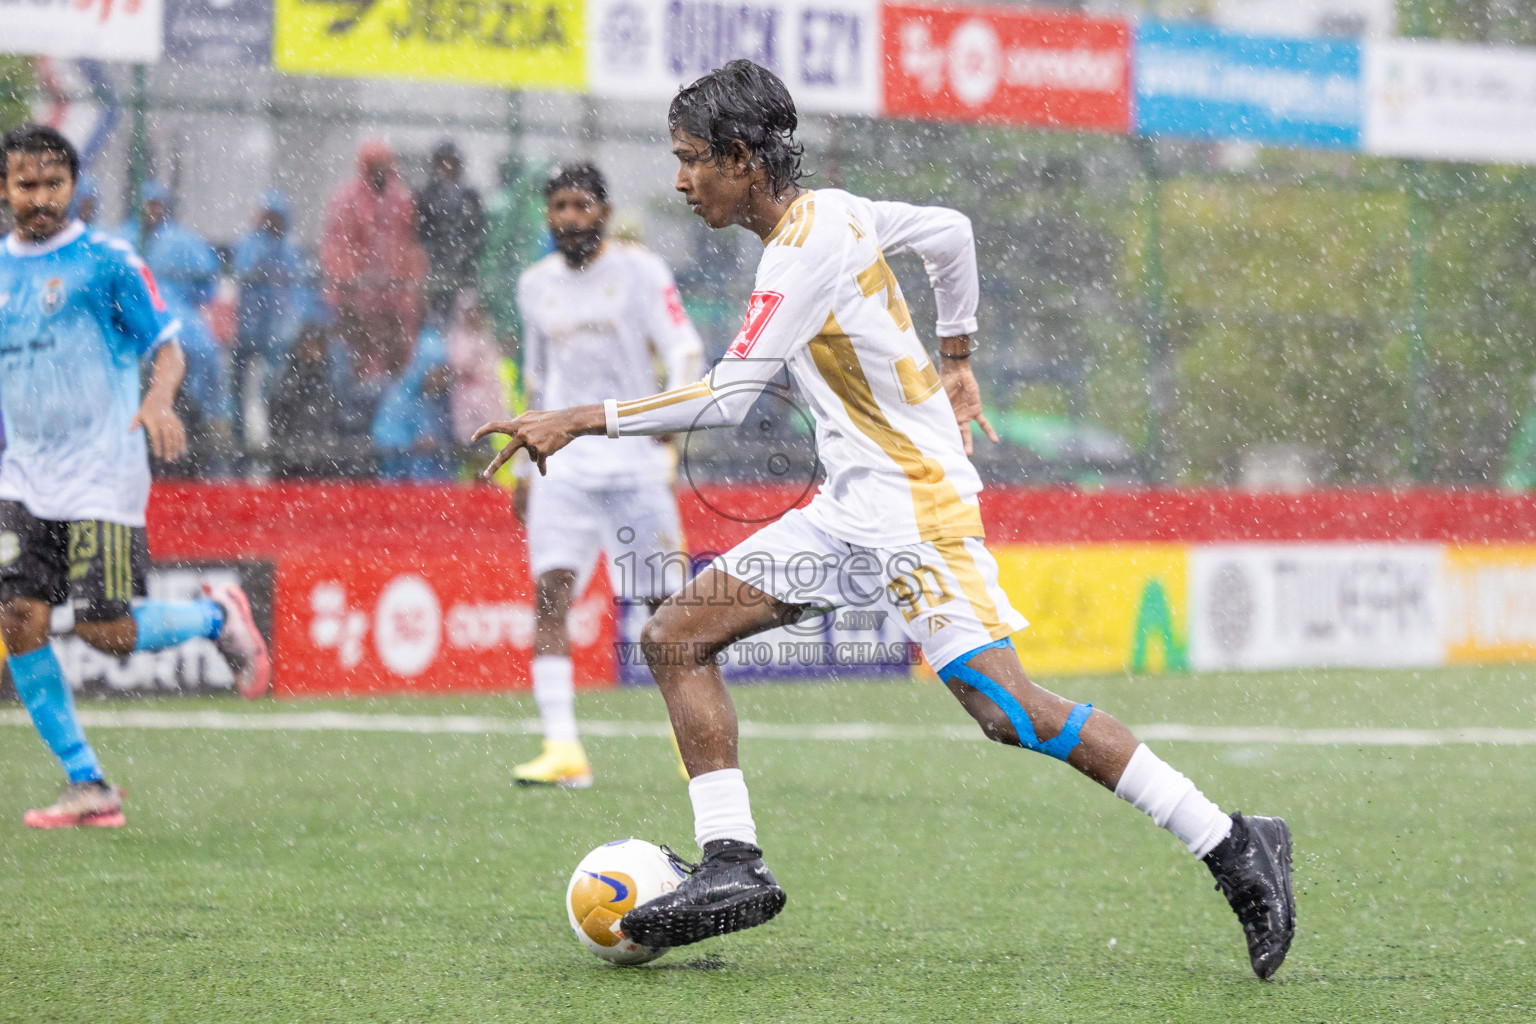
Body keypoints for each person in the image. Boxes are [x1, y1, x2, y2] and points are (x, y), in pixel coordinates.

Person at [474, 62, 1296, 979]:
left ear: (741, 159)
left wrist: (577, 418)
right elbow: (951, 233)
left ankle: (1233, 843)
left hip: (913, 508)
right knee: (676, 635)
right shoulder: (837, 210)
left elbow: (730, 396)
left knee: (1009, 711)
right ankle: (732, 862)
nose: (678, 181)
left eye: (691, 160)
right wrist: (958, 356)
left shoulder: (801, 247)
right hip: (849, 509)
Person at [0, 125, 271, 828]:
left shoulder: (106, 261)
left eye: (52, 184)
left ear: (73, 186)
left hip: (102, 473)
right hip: (24, 478)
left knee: (104, 632)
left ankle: (217, 617)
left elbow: (168, 348)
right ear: (5, 189)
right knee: (18, 619)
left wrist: (156, 401)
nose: (40, 198)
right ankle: (87, 784)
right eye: (26, 186)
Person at [505, 163, 703, 787]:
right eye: (558, 206)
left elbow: (684, 348)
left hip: (634, 460)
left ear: (605, 212)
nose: (569, 217)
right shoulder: (535, 286)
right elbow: (537, 378)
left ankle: (693, 739)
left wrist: (677, 407)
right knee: (550, 595)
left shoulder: (641, 271)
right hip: (560, 464)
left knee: (666, 609)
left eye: (580, 205)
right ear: (547, 216)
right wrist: (523, 467)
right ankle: (564, 749)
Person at [135, 180, 232, 475]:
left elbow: (208, 285)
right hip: (181, 336)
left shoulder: (150, 241)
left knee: (185, 410)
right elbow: (209, 286)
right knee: (195, 412)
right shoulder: (177, 240)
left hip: (163, 337)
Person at [321, 140, 426, 378]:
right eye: (375, 165)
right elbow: (337, 244)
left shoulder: (401, 198)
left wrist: (409, 284)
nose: (381, 171)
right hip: (358, 296)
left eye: (384, 165)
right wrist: (347, 280)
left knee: (397, 360)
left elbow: (409, 243)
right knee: (358, 359)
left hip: (393, 295)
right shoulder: (347, 199)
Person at [233, 189, 313, 447]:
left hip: (277, 335)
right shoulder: (250, 244)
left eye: (275, 216)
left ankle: (269, 443)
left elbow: (299, 289)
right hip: (247, 331)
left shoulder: (290, 248)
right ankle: (239, 444)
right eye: (267, 215)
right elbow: (242, 271)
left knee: (270, 389)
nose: (271, 221)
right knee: (237, 391)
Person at [479, 155, 552, 350]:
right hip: (515, 289)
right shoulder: (515, 208)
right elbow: (495, 249)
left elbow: (494, 250)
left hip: (523, 288)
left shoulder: (531, 208)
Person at [416, 140, 487, 328]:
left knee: (460, 325)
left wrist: (466, 259)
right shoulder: (426, 196)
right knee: (434, 323)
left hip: (463, 274)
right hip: (434, 272)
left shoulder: (470, 197)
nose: (447, 168)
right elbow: (422, 234)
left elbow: (477, 232)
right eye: (442, 162)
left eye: (451, 162)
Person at [371, 327, 457, 482]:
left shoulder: (436, 401)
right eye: (438, 371)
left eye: (444, 372)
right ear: (424, 368)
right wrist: (412, 444)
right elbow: (383, 437)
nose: (441, 378)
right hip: (402, 486)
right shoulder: (399, 399)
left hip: (436, 487)